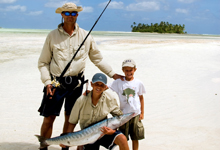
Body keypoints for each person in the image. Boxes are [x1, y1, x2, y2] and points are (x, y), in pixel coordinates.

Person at [37, 2, 123, 150]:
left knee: (70, 119)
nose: (70, 16)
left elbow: (98, 59)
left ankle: (65, 148)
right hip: (55, 84)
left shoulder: (86, 36)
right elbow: (43, 63)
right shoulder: (52, 36)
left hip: (76, 84)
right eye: (67, 13)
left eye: (73, 13)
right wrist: (47, 82)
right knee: (49, 118)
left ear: (77, 15)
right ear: (62, 15)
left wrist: (113, 74)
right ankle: (43, 146)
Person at [64, 73, 129, 150]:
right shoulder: (81, 100)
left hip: (105, 132)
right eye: (96, 84)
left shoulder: (110, 99)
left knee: (122, 138)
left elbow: (119, 118)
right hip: (88, 136)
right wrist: (66, 142)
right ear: (91, 84)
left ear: (105, 87)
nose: (98, 87)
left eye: (102, 85)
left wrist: (112, 131)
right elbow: (72, 123)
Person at [108, 59, 146, 150]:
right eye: (126, 70)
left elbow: (141, 98)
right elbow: (106, 87)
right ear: (123, 70)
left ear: (135, 70)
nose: (129, 72)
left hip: (135, 114)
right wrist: (92, 91)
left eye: (131, 70)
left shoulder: (138, 83)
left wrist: (142, 113)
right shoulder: (118, 82)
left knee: (135, 137)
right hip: (123, 115)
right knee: (123, 137)